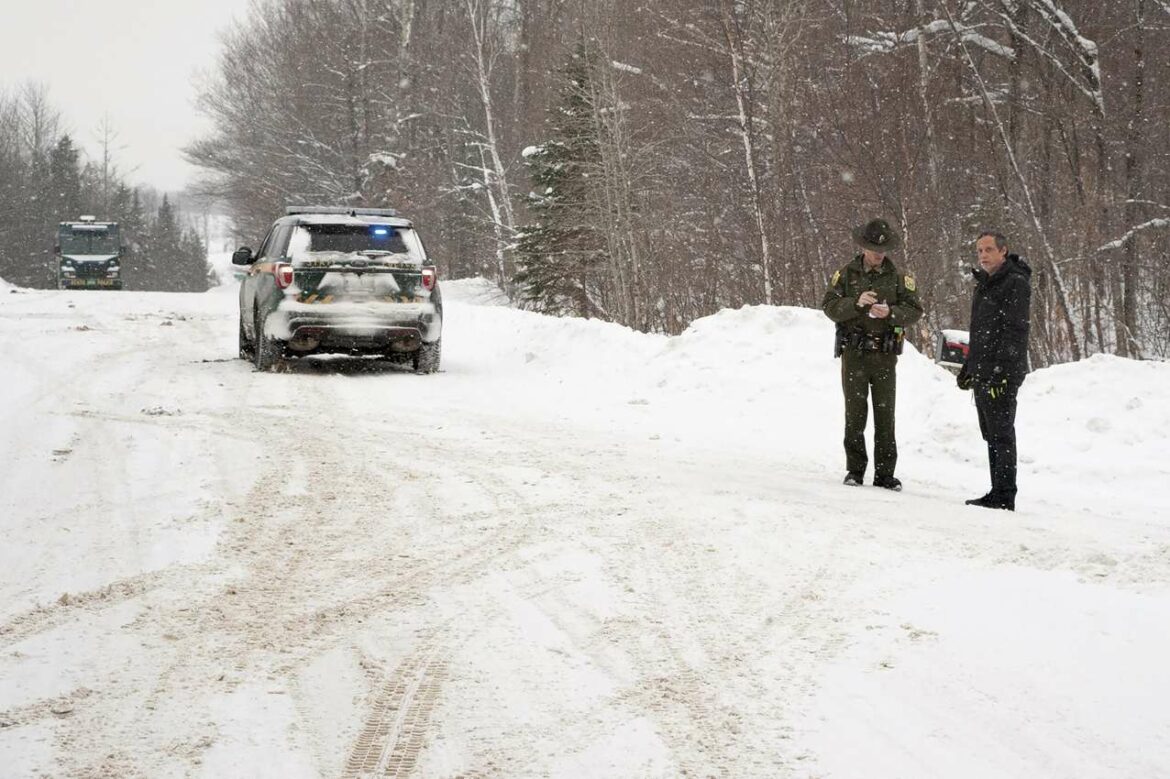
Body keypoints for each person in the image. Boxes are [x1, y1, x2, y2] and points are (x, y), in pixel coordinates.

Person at [822, 218, 924, 490]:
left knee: (884, 415)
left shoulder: (900, 278)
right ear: (862, 247)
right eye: (873, 248)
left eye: (883, 249)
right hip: (855, 352)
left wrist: (891, 313)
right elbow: (829, 306)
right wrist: (855, 304)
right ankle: (855, 470)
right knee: (855, 414)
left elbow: (915, 310)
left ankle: (884, 473)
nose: (878, 253)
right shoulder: (846, 275)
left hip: (884, 354)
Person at [957, 231, 1032, 511]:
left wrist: (1002, 368)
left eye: (989, 249)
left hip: (1002, 371)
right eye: (979, 251)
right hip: (983, 369)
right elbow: (980, 332)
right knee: (990, 432)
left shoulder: (1015, 283)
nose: (983, 255)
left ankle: (1005, 494)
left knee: (1001, 432)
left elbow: (1016, 329)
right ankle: (996, 489)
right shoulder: (985, 284)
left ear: (1003, 251)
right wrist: (970, 366)